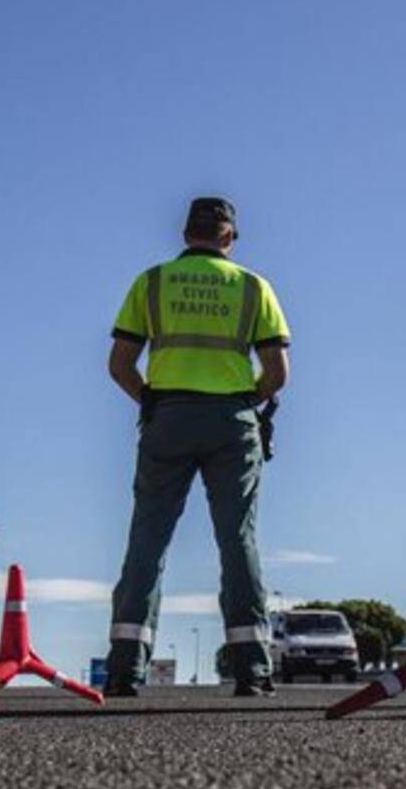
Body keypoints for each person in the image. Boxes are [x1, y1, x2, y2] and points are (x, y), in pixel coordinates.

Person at [104, 196, 290, 697]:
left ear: (187, 235)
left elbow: (119, 363)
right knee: (238, 541)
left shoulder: (153, 282)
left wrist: (152, 402)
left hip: (168, 418)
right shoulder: (254, 287)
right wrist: (245, 402)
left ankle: (124, 667)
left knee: (148, 539)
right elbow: (278, 373)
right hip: (232, 420)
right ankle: (251, 668)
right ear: (230, 236)